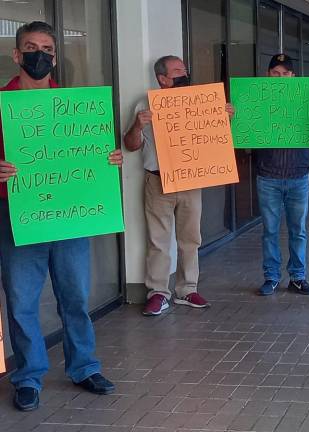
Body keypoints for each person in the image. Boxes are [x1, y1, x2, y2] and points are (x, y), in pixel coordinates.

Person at [0, 21, 120, 411]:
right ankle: (29, 377)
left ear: (54, 56)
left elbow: (93, 156)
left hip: (69, 216)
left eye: (47, 49)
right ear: (17, 55)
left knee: (75, 296)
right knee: (21, 301)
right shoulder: (1, 103)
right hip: (18, 215)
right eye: (31, 47)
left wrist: (110, 159)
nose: (39, 55)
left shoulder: (75, 107)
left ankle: (84, 367)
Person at [124, 55, 233, 315]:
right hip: (157, 180)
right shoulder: (145, 104)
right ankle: (159, 292)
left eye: (184, 69)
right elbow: (130, 145)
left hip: (191, 179)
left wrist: (225, 116)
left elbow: (214, 138)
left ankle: (187, 289)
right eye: (176, 71)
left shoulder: (200, 102)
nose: (183, 73)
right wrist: (138, 125)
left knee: (190, 238)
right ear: (162, 78)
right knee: (158, 241)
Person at [255, 54, 309, 296]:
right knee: (269, 230)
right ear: (268, 75)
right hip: (267, 175)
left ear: (293, 76)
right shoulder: (257, 101)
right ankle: (271, 276)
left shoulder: (307, 101)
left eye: (285, 74)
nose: (280, 78)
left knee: (298, 230)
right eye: (275, 73)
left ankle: (298, 277)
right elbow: (243, 131)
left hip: (298, 174)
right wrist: (233, 115)